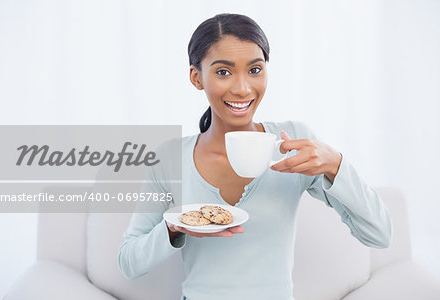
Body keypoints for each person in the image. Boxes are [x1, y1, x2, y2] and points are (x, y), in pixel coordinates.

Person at [118, 13, 392, 300]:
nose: (243, 88)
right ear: (196, 78)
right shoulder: (171, 159)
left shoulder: (292, 143)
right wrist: (174, 228)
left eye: (255, 70)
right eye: (223, 72)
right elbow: (129, 262)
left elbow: (379, 235)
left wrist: (336, 165)